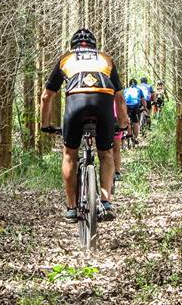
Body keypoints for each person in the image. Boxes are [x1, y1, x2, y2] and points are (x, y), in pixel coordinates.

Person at [40, 29, 130, 223]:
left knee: (69, 154)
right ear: (94, 46)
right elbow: (120, 98)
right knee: (105, 153)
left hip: (76, 105)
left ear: (74, 46)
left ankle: (71, 208)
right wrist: (123, 123)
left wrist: (45, 125)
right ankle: (106, 202)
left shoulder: (66, 59)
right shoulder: (106, 59)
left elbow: (46, 96)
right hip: (103, 104)